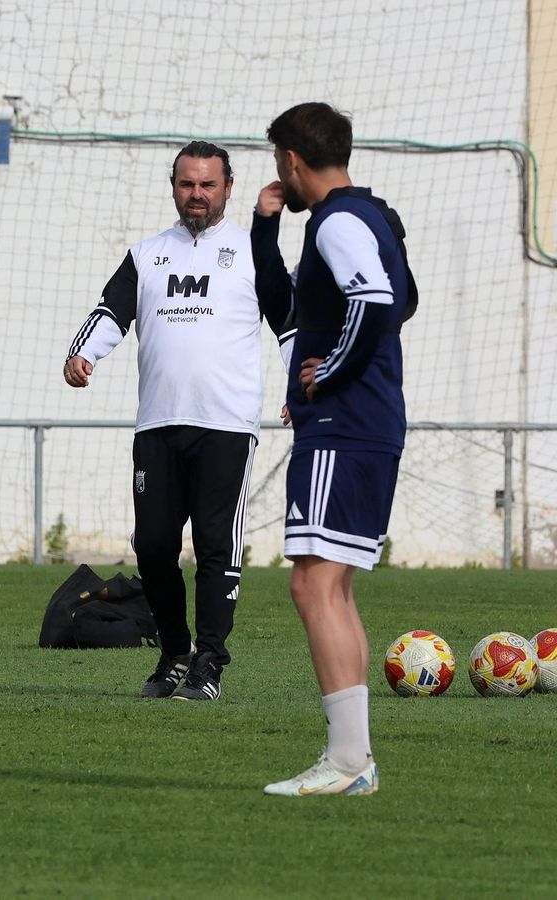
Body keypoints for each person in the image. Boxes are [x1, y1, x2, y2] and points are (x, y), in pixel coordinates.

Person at [64, 141, 292, 701]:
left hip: (227, 424)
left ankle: (210, 662)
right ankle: (173, 653)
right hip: (158, 424)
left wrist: (302, 387)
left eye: (207, 184)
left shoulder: (251, 251)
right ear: (174, 188)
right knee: (155, 546)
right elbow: (113, 310)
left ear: (228, 188)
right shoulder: (146, 255)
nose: (197, 194)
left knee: (217, 546)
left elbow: (290, 324)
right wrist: (84, 353)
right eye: (187, 184)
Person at [253, 102, 415, 796]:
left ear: (291, 160)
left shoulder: (339, 221)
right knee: (333, 584)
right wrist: (264, 229)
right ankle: (354, 762)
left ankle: (348, 762)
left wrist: (332, 370)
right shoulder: (369, 215)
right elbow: (401, 297)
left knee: (312, 582)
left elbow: (378, 298)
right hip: (367, 423)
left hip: (344, 424)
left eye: (276, 164)